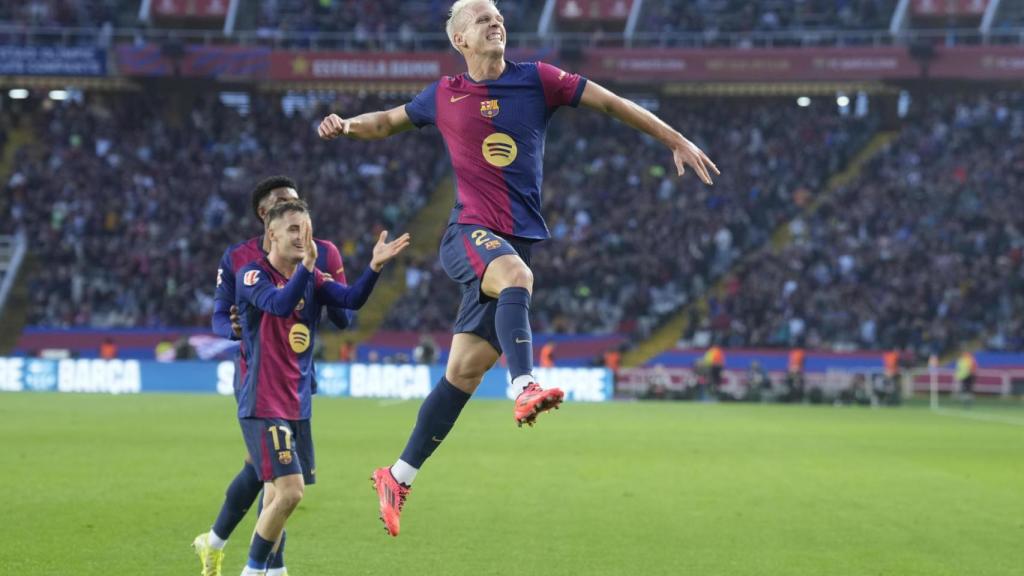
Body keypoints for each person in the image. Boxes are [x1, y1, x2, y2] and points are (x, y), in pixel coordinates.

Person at [318, 0, 717, 537]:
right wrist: (346, 125)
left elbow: (612, 103)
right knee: (517, 279)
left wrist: (675, 137)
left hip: (513, 241)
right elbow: (387, 121)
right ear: (460, 39)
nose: (496, 20)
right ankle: (525, 383)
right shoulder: (444, 94)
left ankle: (397, 475)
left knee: (463, 372)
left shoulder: (540, 81)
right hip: (468, 235)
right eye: (482, 17)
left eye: (499, 14)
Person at [234, 200, 409, 575]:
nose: (302, 237)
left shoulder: (312, 279)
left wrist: (374, 267)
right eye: (294, 229)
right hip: (264, 402)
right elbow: (280, 305)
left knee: (278, 495)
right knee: (291, 491)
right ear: (272, 235)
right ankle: (251, 571)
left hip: (298, 405)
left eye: (307, 230)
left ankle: (275, 571)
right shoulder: (252, 276)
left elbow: (350, 301)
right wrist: (310, 267)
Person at [191, 176, 353, 576]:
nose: (294, 211)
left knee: (264, 471)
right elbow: (219, 317)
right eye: (283, 204)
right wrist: (233, 326)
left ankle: (213, 542)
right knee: (279, 480)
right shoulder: (240, 259)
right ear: (267, 217)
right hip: (256, 375)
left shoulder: (324, 252)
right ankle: (269, 568)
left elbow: (345, 318)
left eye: (297, 203)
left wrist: (333, 288)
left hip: (298, 375)